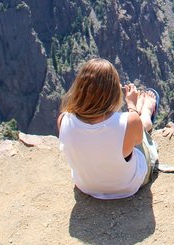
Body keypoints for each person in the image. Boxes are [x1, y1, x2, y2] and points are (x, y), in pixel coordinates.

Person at [57, 58, 159, 199]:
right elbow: (137, 141)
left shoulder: (63, 120)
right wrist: (132, 106)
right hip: (128, 185)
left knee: (129, 130)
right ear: (113, 93)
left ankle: (142, 115)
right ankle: (146, 112)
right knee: (140, 130)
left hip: (86, 186)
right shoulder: (129, 121)